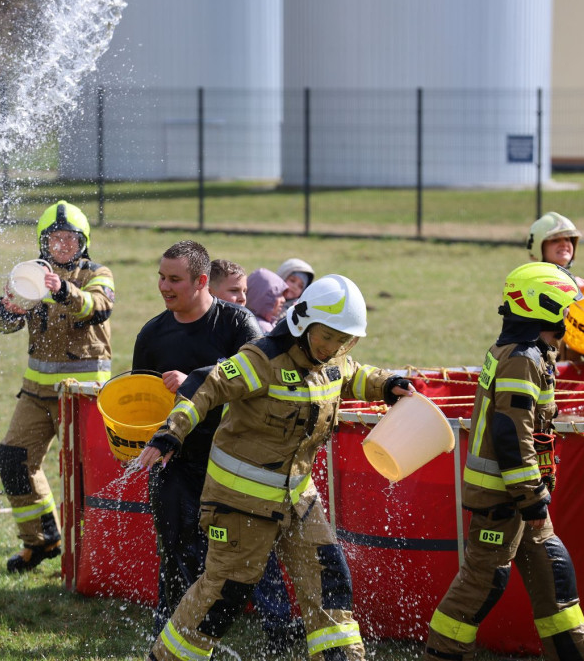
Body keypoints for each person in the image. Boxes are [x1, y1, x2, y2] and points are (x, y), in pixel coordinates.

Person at [136, 274, 416, 661]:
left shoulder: (333, 359)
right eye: (327, 336)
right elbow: (208, 385)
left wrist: (389, 385)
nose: (333, 346)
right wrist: (171, 433)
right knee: (223, 595)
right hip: (239, 504)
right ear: (302, 323)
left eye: (343, 340)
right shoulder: (262, 360)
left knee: (329, 583)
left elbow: (353, 375)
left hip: (298, 499)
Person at [422, 262, 584, 661]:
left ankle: (580, 656)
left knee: (554, 572)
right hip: (504, 498)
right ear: (543, 307)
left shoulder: (529, 351)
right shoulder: (522, 358)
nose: (569, 318)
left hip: (519, 496)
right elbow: (509, 432)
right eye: (565, 309)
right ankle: (443, 654)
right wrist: (532, 496)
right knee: (482, 584)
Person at [132, 241, 302, 654]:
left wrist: (193, 378)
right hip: (178, 461)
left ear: (201, 281)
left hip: (236, 462)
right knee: (175, 551)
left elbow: (262, 385)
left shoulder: (238, 324)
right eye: (161, 276)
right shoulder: (152, 334)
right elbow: (140, 401)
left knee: (249, 552)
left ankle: (280, 633)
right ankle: (169, 638)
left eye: (174, 279)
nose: (164, 286)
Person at [0, 200, 114, 573]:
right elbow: (2, 325)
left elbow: (99, 307)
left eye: (69, 240)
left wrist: (63, 291)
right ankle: (42, 542)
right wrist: (7, 309)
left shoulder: (98, 273)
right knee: (13, 460)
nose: (62, 246)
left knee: (84, 474)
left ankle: (96, 556)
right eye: (54, 239)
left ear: (83, 242)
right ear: (42, 243)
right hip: (35, 393)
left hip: (82, 396)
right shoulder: (29, 274)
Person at [527, 212, 584, 361]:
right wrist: (570, 284)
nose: (564, 243)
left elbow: (579, 328)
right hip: (537, 369)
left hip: (566, 369)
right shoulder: (530, 281)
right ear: (539, 247)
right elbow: (547, 296)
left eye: (568, 239)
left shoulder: (573, 286)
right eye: (555, 240)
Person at [245, 267, 287, 333]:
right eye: (279, 294)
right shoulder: (263, 328)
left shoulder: (246, 320)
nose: (283, 300)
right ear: (263, 296)